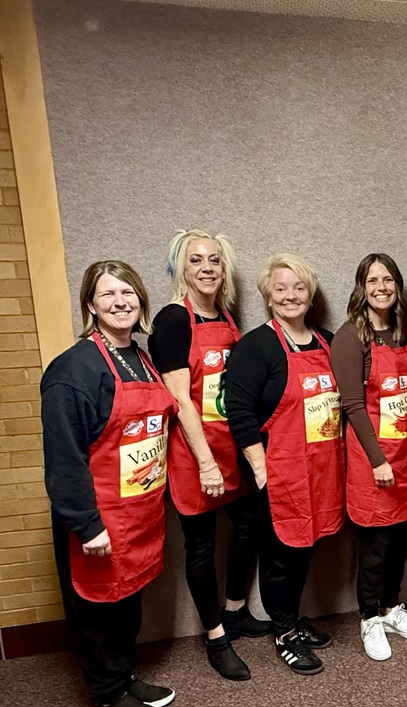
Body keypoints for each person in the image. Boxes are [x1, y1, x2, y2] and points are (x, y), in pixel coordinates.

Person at [41, 261, 177, 707]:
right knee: (98, 607)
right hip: (100, 516)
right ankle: (107, 698)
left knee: (127, 600)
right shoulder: (73, 370)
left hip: (139, 509)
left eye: (128, 292)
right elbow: (64, 456)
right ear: (90, 305)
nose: (120, 302)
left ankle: (123, 677)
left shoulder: (139, 356)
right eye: (108, 294)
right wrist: (86, 522)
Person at [148, 230, 270, 682]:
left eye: (214, 260)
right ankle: (216, 636)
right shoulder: (172, 321)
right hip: (193, 454)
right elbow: (179, 400)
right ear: (182, 267)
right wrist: (205, 462)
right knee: (199, 547)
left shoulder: (226, 317)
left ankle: (235, 609)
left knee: (249, 525)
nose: (207, 268)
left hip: (232, 446)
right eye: (196, 260)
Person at [225, 253, 345, 674]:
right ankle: (284, 633)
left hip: (322, 469)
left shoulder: (328, 340)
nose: (290, 295)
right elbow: (237, 412)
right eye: (281, 288)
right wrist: (260, 467)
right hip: (279, 471)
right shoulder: (256, 347)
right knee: (281, 555)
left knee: (305, 549)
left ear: (310, 294)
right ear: (268, 296)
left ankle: (292, 619)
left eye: (298, 287)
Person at [331, 253, 407, 661]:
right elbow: (353, 406)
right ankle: (369, 617)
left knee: (404, 541)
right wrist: (377, 460)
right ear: (362, 287)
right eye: (373, 280)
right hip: (375, 460)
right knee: (375, 548)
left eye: (388, 279)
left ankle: (391, 607)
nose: (381, 287)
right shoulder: (350, 337)